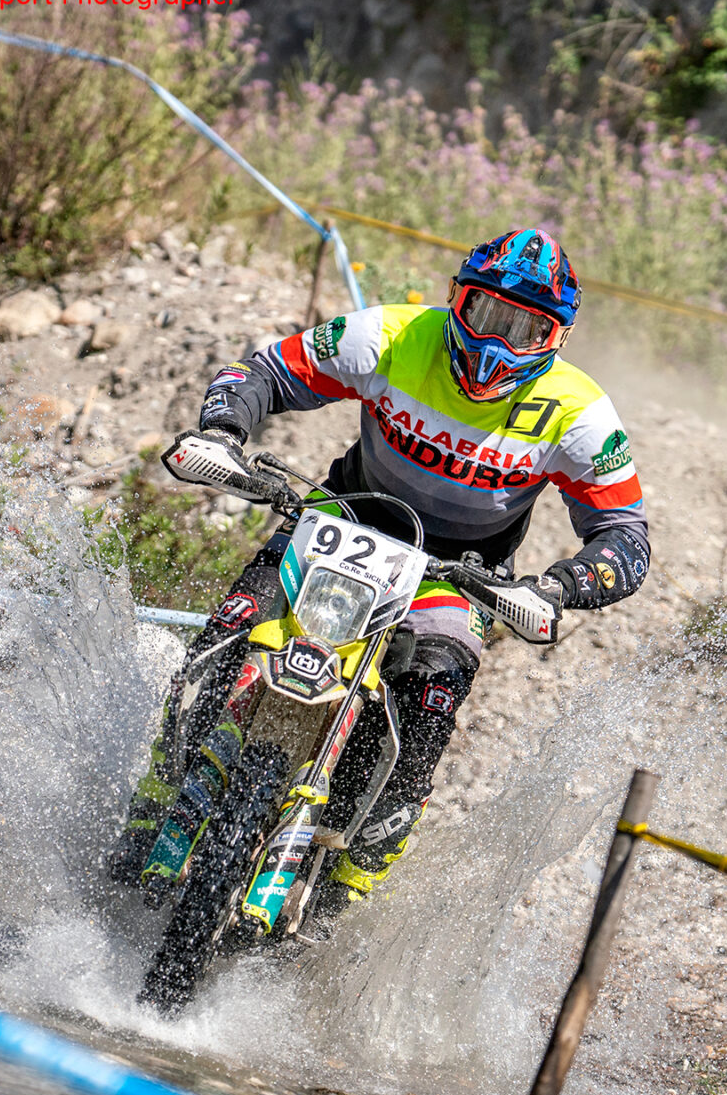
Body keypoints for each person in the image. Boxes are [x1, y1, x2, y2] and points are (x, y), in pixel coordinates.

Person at [108, 229, 651, 917]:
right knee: (227, 636)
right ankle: (157, 798)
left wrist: (554, 588)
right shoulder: (388, 335)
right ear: (455, 298)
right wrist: (222, 434)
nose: (498, 342)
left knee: (428, 707)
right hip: (341, 520)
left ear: (558, 338)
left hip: (460, 573)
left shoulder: (581, 414)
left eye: (526, 329)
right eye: (486, 313)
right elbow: (264, 371)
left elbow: (625, 537)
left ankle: (349, 882)